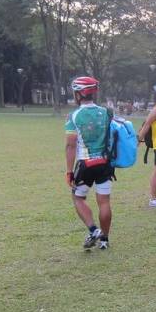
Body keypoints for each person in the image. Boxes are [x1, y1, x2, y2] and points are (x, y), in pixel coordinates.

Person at [64, 76, 114, 250]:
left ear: (78, 93)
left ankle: (93, 230)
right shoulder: (106, 112)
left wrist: (69, 171)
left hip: (86, 165)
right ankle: (105, 240)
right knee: (104, 201)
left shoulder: (74, 116)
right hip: (105, 164)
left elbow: (70, 145)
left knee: (77, 197)